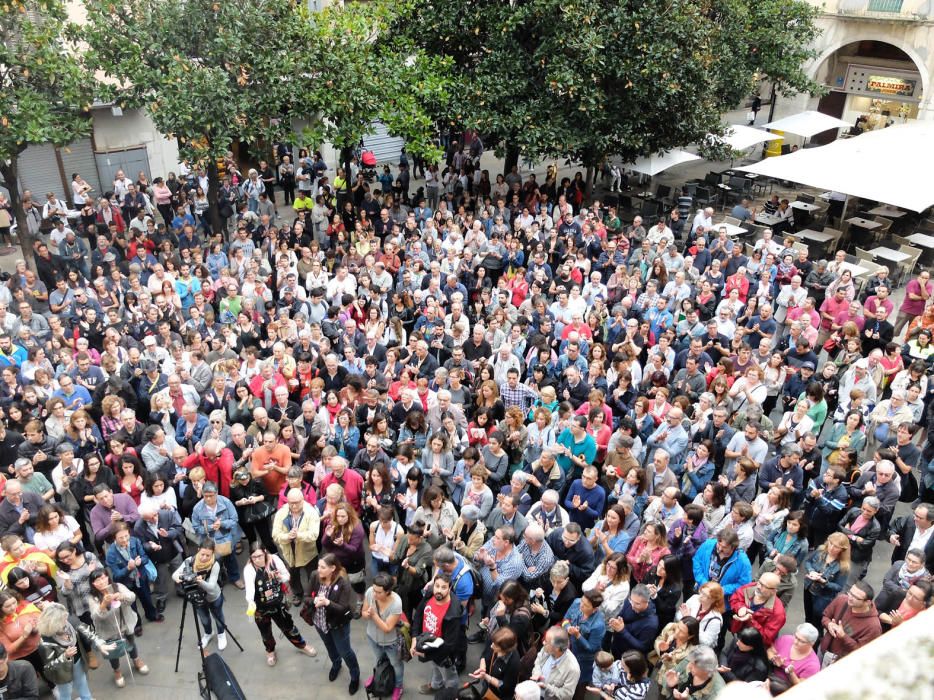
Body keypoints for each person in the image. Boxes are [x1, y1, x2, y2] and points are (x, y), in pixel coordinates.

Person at [243, 546, 317, 666]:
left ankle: (302, 645)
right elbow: (250, 591)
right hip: (260, 608)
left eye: (259, 556)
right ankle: (270, 651)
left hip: (278, 603)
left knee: (289, 627)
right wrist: (250, 602)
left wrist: (279, 577)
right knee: (265, 632)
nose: (257, 560)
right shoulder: (249, 569)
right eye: (254, 557)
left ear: (265, 553)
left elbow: (287, 576)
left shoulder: (274, 560)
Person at [304, 553, 361, 695]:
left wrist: (327, 603)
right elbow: (305, 597)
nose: (319, 570)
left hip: (338, 625)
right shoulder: (314, 576)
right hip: (319, 622)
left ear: (332, 568)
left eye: (322, 567)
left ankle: (355, 676)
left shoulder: (343, 583)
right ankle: (336, 664)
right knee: (329, 646)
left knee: (345, 651)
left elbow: (343, 608)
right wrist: (314, 600)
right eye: (318, 566)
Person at [37, 602, 115, 700]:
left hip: (77, 662)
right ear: (53, 622)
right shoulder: (45, 641)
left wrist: (100, 643)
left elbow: (87, 632)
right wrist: (64, 656)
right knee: (65, 693)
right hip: (62, 672)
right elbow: (49, 667)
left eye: (66, 617)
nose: (66, 621)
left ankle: (87, 698)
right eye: (62, 620)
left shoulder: (70, 622)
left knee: (82, 683)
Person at [87, 569, 149, 688]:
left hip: (125, 624)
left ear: (108, 577)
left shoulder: (118, 586)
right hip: (108, 630)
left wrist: (121, 596)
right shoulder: (92, 597)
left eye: (104, 577)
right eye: (97, 580)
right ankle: (117, 671)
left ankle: (136, 660)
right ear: (93, 584)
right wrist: (103, 604)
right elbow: (96, 617)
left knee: (131, 643)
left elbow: (132, 597)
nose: (102, 582)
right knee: (113, 651)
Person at [411, 573, 465, 695]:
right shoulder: (430, 593)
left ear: (450, 588)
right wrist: (415, 637)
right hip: (429, 643)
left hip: (443, 652)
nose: (439, 590)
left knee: (450, 676)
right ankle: (436, 684)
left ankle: (451, 695)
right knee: (435, 666)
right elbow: (419, 614)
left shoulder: (453, 613)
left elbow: (449, 646)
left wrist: (426, 654)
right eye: (437, 586)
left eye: (444, 587)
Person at [172, 539, 229, 651]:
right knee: (204, 618)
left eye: (208, 555)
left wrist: (199, 581)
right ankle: (208, 633)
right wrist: (182, 578)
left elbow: (211, 586)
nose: (204, 557)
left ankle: (221, 634)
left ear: (212, 553)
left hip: (213, 596)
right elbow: (174, 575)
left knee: (218, 616)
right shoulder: (190, 561)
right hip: (196, 597)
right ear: (198, 550)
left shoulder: (215, 564)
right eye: (202, 554)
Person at [272, 487, 320, 604]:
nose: (293, 506)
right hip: (289, 549)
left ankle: (313, 594)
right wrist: (287, 536)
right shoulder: (281, 513)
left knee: (313, 575)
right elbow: (275, 535)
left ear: (302, 500)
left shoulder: (311, 512)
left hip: (307, 551)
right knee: (292, 574)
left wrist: (298, 535)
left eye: (297, 503)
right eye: (291, 503)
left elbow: (314, 535)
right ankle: (298, 593)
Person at [361, 573, 405, 700]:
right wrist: (367, 614)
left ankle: (398, 686)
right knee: (379, 659)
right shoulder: (370, 592)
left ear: (388, 592)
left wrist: (374, 615)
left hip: (390, 642)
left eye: (379, 592)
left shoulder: (396, 603)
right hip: (372, 637)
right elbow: (363, 612)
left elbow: (387, 628)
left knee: (396, 664)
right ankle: (378, 675)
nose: (374, 594)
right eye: (374, 590)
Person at [818, 581, 882, 665]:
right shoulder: (842, 599)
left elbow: (861, 651)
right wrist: (829, 624)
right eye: (850, 593)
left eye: (856, 597)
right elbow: (825, 616)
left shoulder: (873, 626)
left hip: (841, 661)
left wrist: (843, 636)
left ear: (867, 602)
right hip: (823, 648)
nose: (850, 598)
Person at [766, 623, 821, 692]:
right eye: (796, 637)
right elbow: (770, 651)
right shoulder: (786, 639)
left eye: (801, 641)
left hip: (786, 689)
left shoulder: (813, 665)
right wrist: (773, 659)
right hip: (770, 675)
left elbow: (802, 687)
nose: (795, 641)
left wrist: (791, 673)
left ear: (811, 644)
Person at [469, 626, 520, 699]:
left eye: (495, 646)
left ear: (504, 649)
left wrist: (486, 676)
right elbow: (484, 655)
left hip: (499, 694)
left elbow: (505, 686)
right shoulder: (494, 640)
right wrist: (482, 668)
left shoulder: (514, 663)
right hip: (488, 685)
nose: (491, 646)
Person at [532, 625, 581, 700]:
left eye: (547, 642)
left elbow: (566, 695)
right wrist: (537, 676)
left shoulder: (573, 669)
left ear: (557, 648)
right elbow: (538, 662)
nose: (543, 643)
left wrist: (546, 687)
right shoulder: (547, 649)